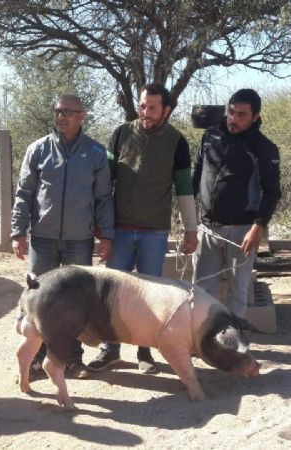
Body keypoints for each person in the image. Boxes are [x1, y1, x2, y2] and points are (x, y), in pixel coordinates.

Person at [87, 83, 198, 375]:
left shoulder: (177, 142)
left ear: (166, 110)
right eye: (142, 106)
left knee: (151, 296)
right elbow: (104, 183)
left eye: (152, 108)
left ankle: (145, 351)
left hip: (154, 232)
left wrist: (191, 230)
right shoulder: (121, 134)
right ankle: (110, 349)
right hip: (120, 230)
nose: (145, 113)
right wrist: (101, 223)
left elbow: (184, 189)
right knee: (112, 292)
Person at [11, 94, 114, 379]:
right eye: (58, 111)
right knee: (38, 298)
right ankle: (37, 359)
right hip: (42, 238)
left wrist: (107, 235)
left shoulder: (95, 153)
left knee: (75, 300)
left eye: (68, 112)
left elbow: (104, 198)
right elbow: (24, 193)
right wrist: (18, 231)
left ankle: (72, 360)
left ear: (82, 116)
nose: (61, 116)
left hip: (79, 240)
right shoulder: (38, 150)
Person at [192, 88, 282, 319]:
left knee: (238, 292)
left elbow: (272, 192)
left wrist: (257, 229)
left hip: (242, 232)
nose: (233, 118)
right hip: (207, 229)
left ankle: (234, 340)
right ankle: (201, 337)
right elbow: (197, 174)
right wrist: (190, 220)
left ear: (255, 117)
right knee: (200, 291)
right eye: (231, 112)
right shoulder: (211, 136)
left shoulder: (264, 148)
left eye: (242, 114)